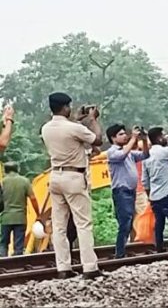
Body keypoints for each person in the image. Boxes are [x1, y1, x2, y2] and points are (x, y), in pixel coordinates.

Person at [40, 93, 104, 279]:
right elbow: (97, 140)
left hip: (55, 176)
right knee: (83, 223)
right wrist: (92, 120)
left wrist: (77, 119)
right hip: (74, 177)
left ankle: (63, 268)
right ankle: (90, 267)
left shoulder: (46, 128)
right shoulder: (74, 128)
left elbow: (66, 130)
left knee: (59, 225)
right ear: (65, 107)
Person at [106, 124, 149, 258]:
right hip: (121, 191)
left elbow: (145, 154)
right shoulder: (112, 151)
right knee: (125, 222)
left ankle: (124, 250)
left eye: (125, 133)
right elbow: (121, 155)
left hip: (131, 191)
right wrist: (133, 139)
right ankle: (119, 253)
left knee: (129, 222)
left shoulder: (129, 152)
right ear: (113, 138)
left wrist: (145, 140)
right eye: (121, 134)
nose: (125, 136)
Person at [0, 162, 38, 256]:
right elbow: (33, 199)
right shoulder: (25, 181)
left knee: (3, 243)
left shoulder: (2, 182)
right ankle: (17, 265)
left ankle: (2, 263)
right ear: (18, 169)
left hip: (5, 218)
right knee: (18, 245)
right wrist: (38, 213)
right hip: (20, 218)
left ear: (5, 170)